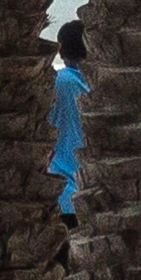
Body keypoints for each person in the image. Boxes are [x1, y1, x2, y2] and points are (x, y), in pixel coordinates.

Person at [49, 19, 86, 219]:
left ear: (61, 51)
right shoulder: (103, 85)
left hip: (62, 194)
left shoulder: (57, 83)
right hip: (96, 194)